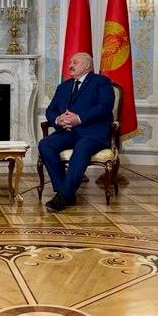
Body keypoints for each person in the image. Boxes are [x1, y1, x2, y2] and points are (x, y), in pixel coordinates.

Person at [39, 52, 114, 212]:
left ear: (87, 65)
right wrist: (58, 120)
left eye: (75, 62)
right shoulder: (64, 86)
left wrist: (79, 118)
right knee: (45, 144)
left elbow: (104, 106)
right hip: (67, 132)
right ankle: (66, 193)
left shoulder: (101, 82)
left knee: (82, 147)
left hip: (92, 134)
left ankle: (63, 196)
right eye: (70, 62)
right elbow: (50, 110)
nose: (70, 65)